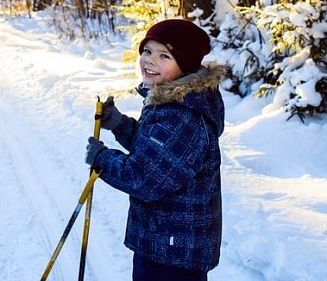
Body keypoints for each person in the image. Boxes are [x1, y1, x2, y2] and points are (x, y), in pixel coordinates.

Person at [85, 19, 226, 281]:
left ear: (183, 65)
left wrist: (101, 159)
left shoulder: (184, 116)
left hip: (173, 255)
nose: (150, 61)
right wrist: (119, 125)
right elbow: (157, 152)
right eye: (147, 51)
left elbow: (143, 177)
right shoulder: (172, 100)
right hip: (167, 242)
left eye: (164, 56)